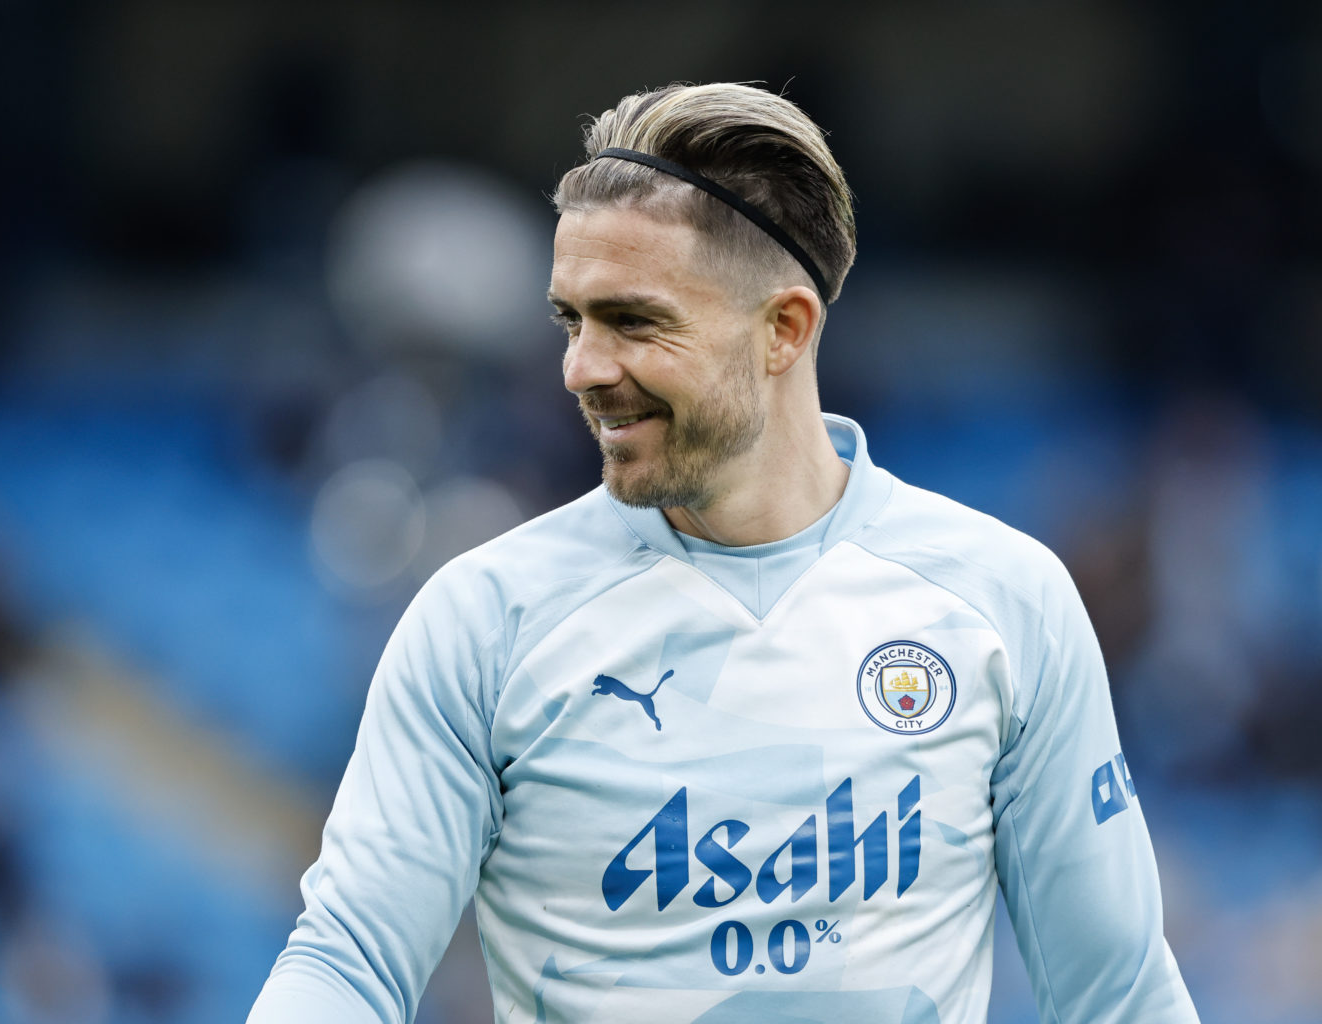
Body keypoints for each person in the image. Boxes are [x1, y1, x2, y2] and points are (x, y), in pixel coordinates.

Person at [248, 82, 1200, 1024]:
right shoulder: (485, 621)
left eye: (634, 321)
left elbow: (1117, 992)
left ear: (783, 329)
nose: (581, 367)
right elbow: (349, 961)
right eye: (571, 320)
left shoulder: (1002, 600)